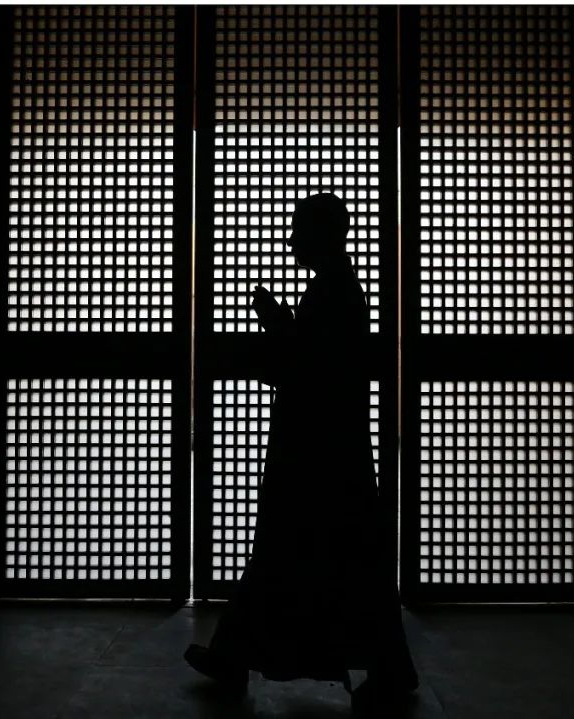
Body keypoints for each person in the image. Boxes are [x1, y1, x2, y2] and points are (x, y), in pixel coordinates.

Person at [185, 192, 418, 713]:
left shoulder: (332, 293)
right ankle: (237, 654)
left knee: (290, 556)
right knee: (327, 559)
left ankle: (235, 655)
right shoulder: (337, 288)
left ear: (321, 235)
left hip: (317, 454)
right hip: (329, 450)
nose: (291, 240)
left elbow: (311, 368)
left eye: (299, 230)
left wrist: (275, 322)